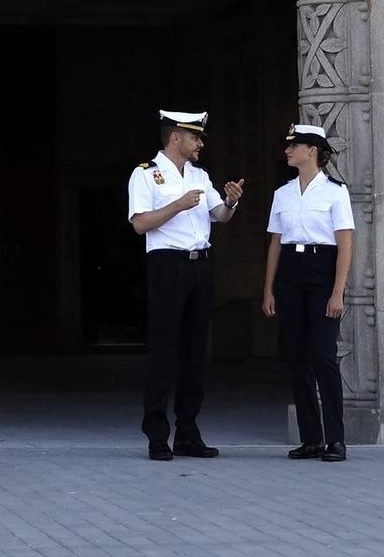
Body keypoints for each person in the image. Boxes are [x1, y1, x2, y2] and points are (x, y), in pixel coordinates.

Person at [128, 108, 244, 461]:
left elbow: (217, 216)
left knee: (195, 352)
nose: (200, 143)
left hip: (199, 266)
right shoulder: (145, 175)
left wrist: (231, 202)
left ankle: (188, 432)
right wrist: (177, 205)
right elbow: (139, 224)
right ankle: (157, 434)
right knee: (164, 350)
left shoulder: (199, 174)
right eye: (195, 137)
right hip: (167, 266)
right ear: (175, 137)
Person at [261, 122, 355, 463]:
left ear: (312, 150)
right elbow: (275, 243)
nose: (288, 150)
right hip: (290, 273)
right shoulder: (282, 193)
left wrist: (337, 291)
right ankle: (311, 438)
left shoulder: (335, 192)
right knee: (297, 358)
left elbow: (345, 243)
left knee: (324, 357)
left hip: (322, 270)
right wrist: (268, 288)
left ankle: (336, 439)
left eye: (294, 145)